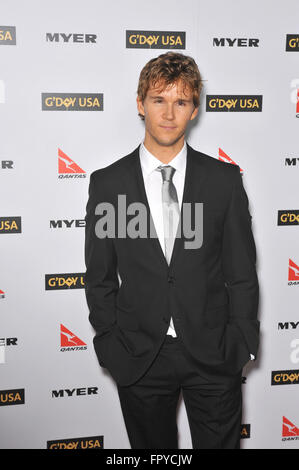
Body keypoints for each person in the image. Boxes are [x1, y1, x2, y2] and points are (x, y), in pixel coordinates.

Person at [84, 52, 260, 449]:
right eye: (158, 99)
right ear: (140, 104)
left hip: (214, 354)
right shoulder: (107, 184)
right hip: (140, 355)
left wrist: (242, 340)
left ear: (194, 110)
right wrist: (112, 342)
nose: (168, 113)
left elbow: (242, 273)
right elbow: (98, 276)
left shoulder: (224, 181)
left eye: (180, 102)